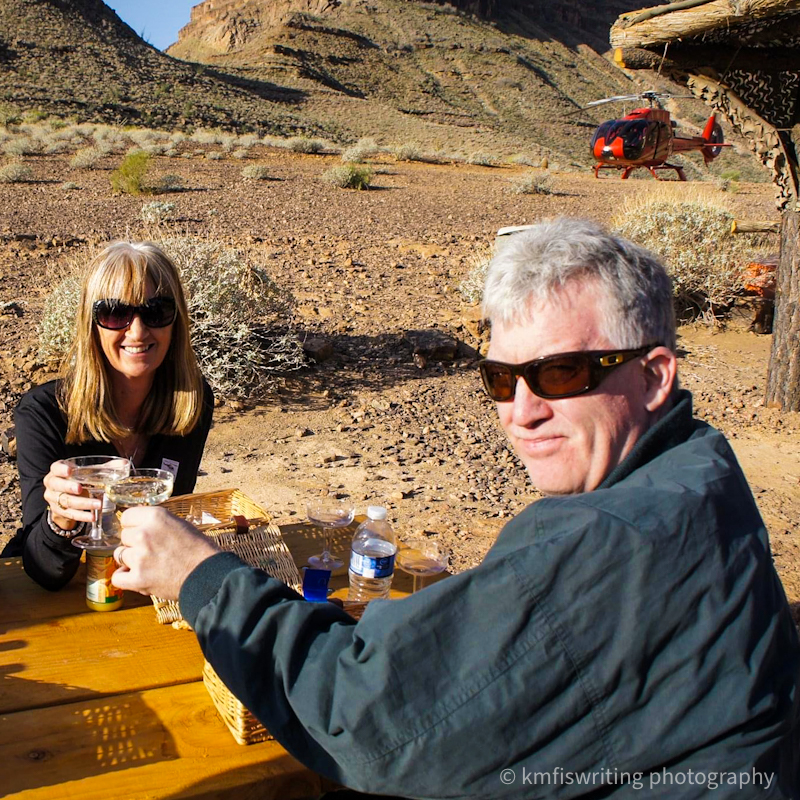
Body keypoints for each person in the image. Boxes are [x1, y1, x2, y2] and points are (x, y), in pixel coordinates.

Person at [111, 218, 799, 798]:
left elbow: (367, 721)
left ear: (653, 376)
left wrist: (202, 578)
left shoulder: (611, 538)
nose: (521, 413)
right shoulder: (697, 468)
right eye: (502, 378)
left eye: (560, 373)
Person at [6, 241, 214, 591]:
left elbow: (167, 520)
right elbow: (43, 570)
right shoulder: (44, 413)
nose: (137, 332)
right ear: (92, 324)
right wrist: (60, 519)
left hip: (138, 587)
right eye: (115, 313)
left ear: (176, 321)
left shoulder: (191, 401)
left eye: (157, 310)